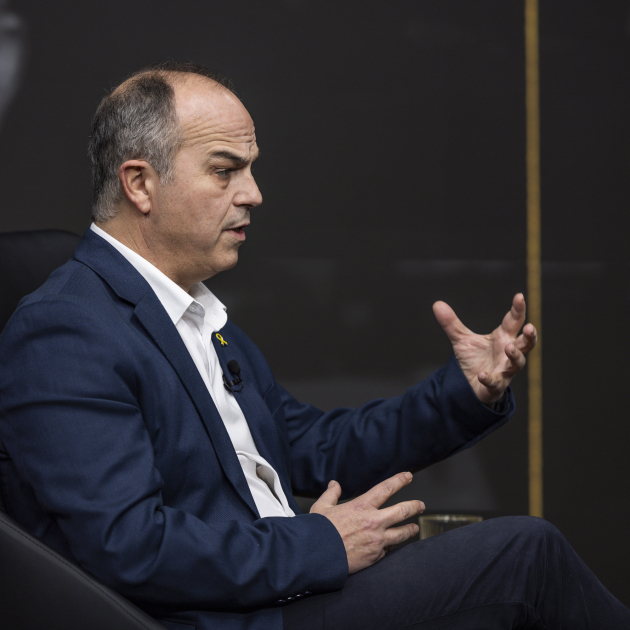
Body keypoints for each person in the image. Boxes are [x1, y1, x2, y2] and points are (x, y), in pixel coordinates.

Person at [0, 62, 627, 630]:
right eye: (224, 170)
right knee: (525, 554)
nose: (253, 193)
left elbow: (320, 448)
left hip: (289, 591)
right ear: (140, 183)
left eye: (251, 168)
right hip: (238, 619)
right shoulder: (65, 330)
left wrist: (466, 392)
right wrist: (321, 544)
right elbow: (129, 546)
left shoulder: (195, 315)